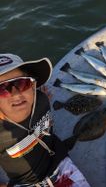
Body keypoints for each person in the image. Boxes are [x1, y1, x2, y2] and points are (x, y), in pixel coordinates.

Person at [0, 54, 90, 187]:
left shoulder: (41, 100)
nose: (17, 94)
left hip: (61, 166)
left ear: (32, 85)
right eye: (2, 88)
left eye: (22, 83)